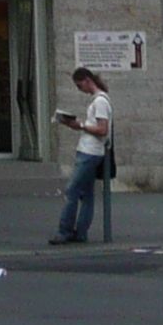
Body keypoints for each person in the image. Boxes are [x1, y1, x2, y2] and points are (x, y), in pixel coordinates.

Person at [50, 66, 113, 244]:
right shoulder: (99, 100)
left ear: (87, 80)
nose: (80, 90)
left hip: (90, 151)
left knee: (72, 191)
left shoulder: (100, 102)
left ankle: (65, 231)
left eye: (80, 86)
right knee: (86, 194)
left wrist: (81, 125)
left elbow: (102, 129)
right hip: (91, 151)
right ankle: (81, 232)